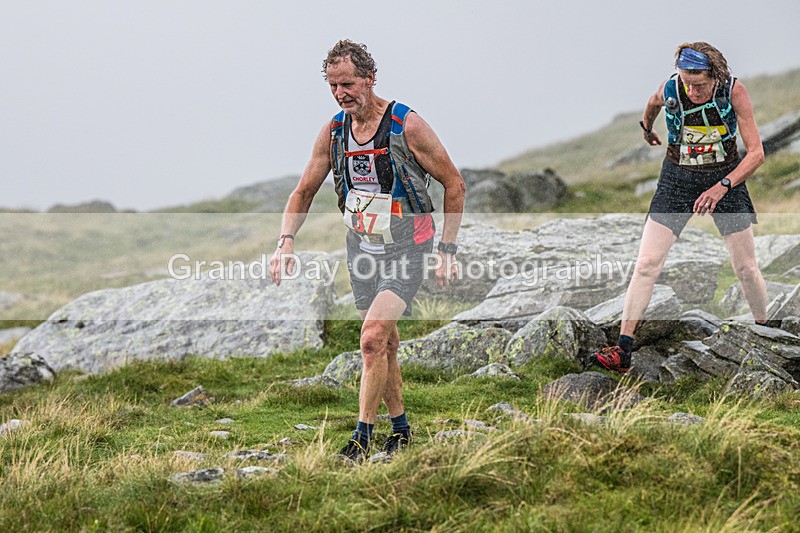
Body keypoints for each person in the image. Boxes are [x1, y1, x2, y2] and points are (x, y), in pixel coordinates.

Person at [269, 40, 466, 462]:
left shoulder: (406, 125)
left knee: (372, 338)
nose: (342, 93)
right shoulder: (333, 132)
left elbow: (454, 183)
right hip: (361, 248)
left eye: (349, 83)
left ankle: (361, 437)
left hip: (409, 246)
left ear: (370, 78)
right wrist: (285, 242)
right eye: (333, 85)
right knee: (386, 345)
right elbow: (303, 191)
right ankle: (402, 430)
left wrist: (447, 249)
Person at [592, 42, 768, 373]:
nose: (692, 89)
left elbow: (756, 153)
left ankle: (765, 329)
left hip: (725, 177)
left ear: (715, 75)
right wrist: (647, 129)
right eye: (687, 82)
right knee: (646, 264)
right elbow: (652, 103)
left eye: (699, 83)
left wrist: (722, 187)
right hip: (676, 180)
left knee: (745, 267)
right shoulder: (671, 87)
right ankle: (623, 350)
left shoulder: (733, 92)